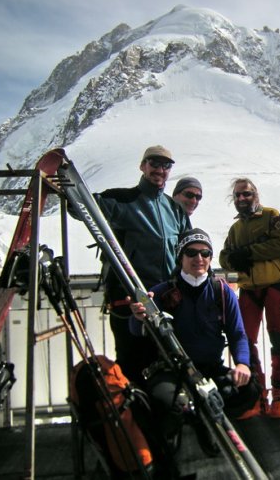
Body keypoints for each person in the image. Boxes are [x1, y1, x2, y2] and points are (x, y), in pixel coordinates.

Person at [128, 228, 260, 441]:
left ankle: (205, 421)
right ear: (181, 257)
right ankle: (171, 444)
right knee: (166, 404)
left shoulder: (222, 291)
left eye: (205, 253)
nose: (199, 258)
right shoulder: (162, 292)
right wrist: (138, 316)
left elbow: (237, 334)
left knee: (249, 389)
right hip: (173, 370)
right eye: (191, 253)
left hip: (210, 368)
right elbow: (136, 331)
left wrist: (242, 364)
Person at [91, 145, 191, 386]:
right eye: (154, 163)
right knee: (132, 363)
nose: (160, 170)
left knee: (167, 361)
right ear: (143, 166)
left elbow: (187, 249)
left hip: (165, 300)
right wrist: (70, 191)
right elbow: (81, 207)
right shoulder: (123, 200)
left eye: (166, 166)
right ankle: (136, 419)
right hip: (129, 300)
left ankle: (164, 417)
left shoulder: (175, 210)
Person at [219, 178, 280, 419]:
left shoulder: (271, 215)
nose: (242, 199)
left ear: (255, 195)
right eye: (238, 195)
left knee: (278, 339)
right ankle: (258, 396)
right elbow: (224, 256)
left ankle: (279, 395)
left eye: (246, 194)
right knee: (246, 342)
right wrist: (233, 260)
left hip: (273, 285)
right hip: (249, 287)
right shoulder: (235, 228)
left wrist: (247, 254)